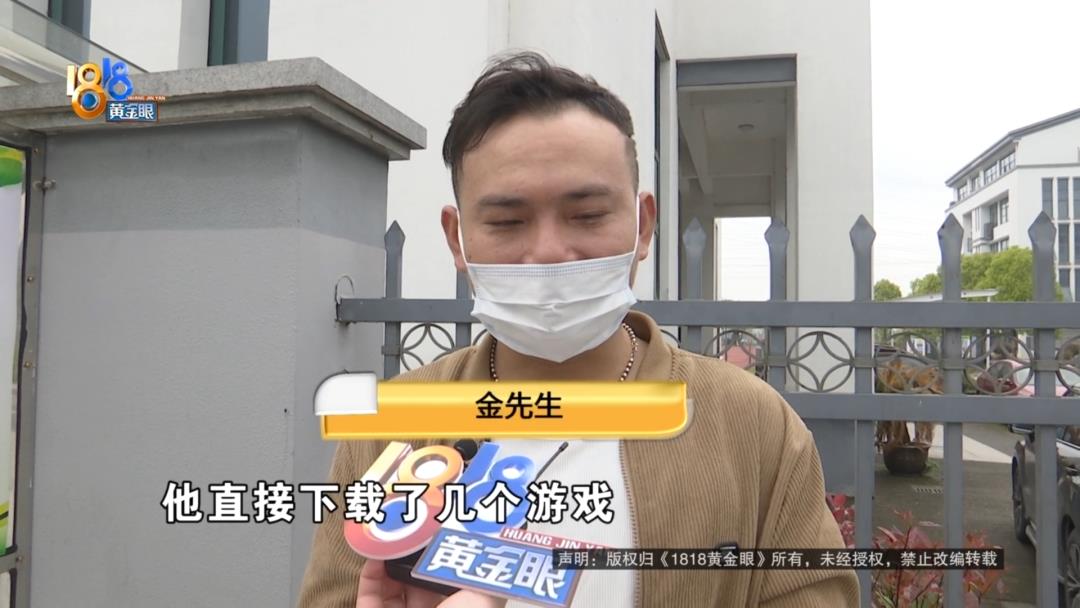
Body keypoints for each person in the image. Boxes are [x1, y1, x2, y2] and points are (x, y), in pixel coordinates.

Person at [298, 51, 858, 608]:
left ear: (643, 225)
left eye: (587, 215)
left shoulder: (752, 423)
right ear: (457, 238)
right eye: (507, 221)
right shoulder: (389, 433)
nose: (548, 251)